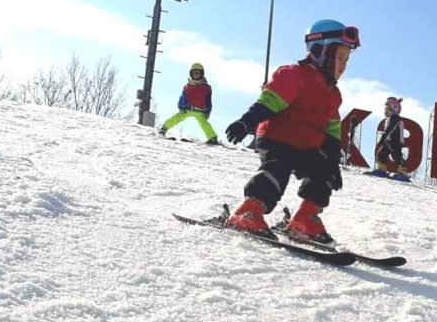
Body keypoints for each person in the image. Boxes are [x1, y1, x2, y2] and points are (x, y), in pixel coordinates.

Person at [222, 19, 360, 245]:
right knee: (277, 169)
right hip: (278, 139)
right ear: (320, 51)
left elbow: (332, 130)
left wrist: (333, 162)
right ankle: (248, 211)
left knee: (323, 172)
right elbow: (269, 102)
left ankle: (305, 219)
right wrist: (246, 122)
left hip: (307, 146)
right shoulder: (294, 75)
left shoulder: (333, 94)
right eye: (340, 57)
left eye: (347, 59)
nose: (344, 65)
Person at [158, 63, 219, 145]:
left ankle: (212, 138)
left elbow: (208, 101)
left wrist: (208, 111)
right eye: (194, 73)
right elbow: (183, 97)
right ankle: (164, 128)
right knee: (177, 117)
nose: (196, 75)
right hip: (187, 108)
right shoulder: (188, 86)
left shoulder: (207, 87)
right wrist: (181, 105)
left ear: (201, 73)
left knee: (204, 123)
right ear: (191, 74)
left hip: (200, 111)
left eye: (198, 73)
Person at [373, 97, 407, 176]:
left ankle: (402, 173)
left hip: (395, 141)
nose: (386, 110)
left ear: (395, 109)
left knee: (397, 156)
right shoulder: (390, 118)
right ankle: (382, 170)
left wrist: (382, 139)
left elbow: (389, 129)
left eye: (388, 108)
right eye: (386, 108)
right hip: (389, 141)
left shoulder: (395, 118)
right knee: (381, 153)